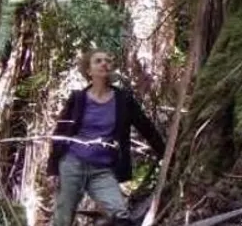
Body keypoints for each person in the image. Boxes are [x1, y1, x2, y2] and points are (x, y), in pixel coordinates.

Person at [47, 49, 165, 226]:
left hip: (102, 170)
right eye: (98, 61)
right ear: (89, 70)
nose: (104, 64)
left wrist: (166, 153)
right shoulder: (78, 99)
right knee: (63, 218)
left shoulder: (123, 99)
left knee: (120, 215)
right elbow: (61, 132)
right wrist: (53, 168)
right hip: (73, 164)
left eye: (108, 61)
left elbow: (145, 126)